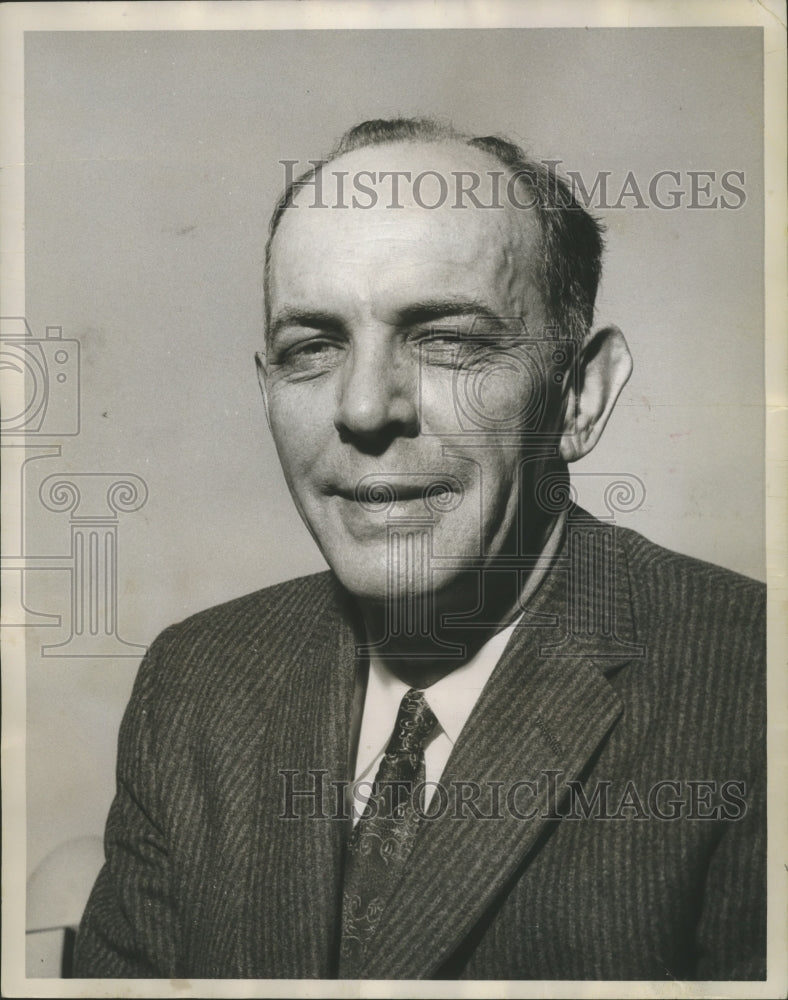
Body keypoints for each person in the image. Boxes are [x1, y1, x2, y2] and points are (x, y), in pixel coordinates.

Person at [74, 118, 766, 981]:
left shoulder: (752, 687)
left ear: (580, 395)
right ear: (267, 389)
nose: (365, 409)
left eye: (449, 340)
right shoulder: (196, 680)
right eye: (313, 348)